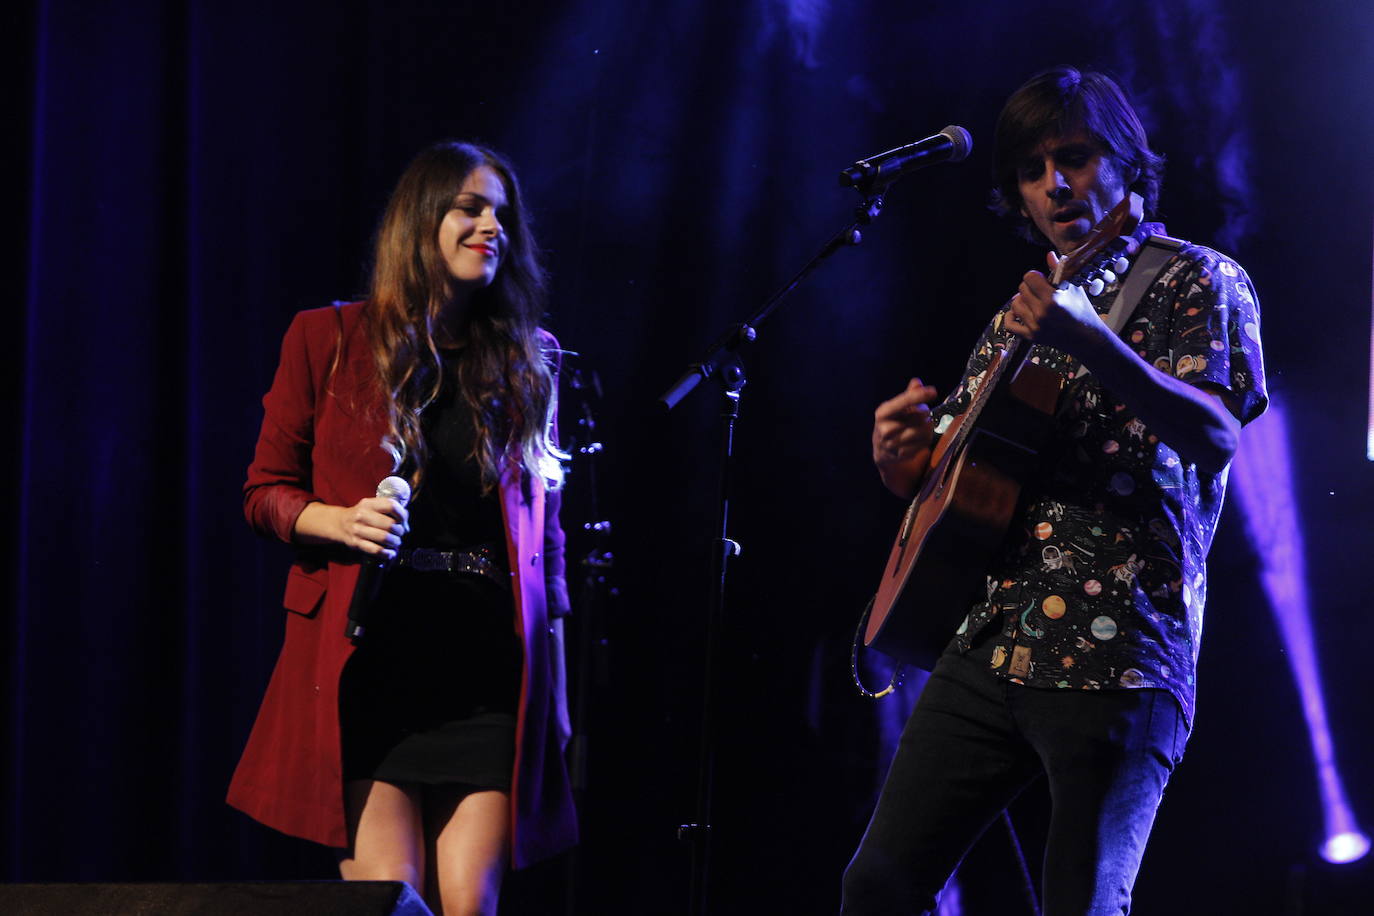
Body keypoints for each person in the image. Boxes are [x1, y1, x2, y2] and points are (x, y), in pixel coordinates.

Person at [842, 67, 1267, 914]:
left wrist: (1093, 342)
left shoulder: (1199, 278)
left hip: (1120, 652)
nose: (1054, 185)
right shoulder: (1017, 318)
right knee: (878, 885)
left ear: (1126, 163)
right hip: (989, 641)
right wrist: (898, 461)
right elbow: (953, 478)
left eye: (1074, 157)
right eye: (1032, 172)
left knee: (1082, 902)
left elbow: (1218, 437)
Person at [228, 141, 577, 916]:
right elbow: (263, 493)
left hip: (485, 668)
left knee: (469, 906)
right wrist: (340, 522)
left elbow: (547, 548)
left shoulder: (531, 359)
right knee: (393, 903)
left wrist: (554, 692)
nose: (493, 227)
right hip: (374, 661)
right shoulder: (327, 339)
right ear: (421, 221)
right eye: (470, 208)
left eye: (502, 214)